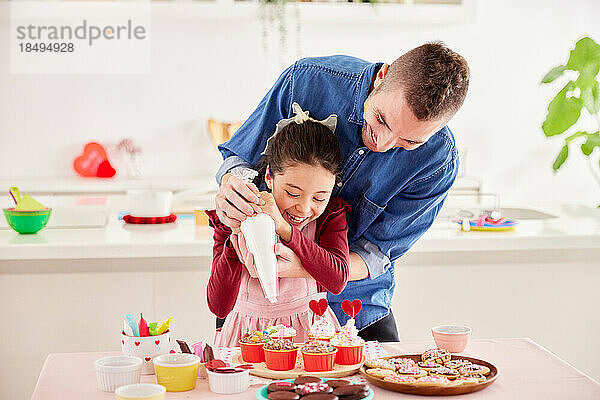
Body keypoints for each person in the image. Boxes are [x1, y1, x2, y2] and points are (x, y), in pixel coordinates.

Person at [214, 42, 470, 342]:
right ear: (382, 77)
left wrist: (309, 267)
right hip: (257, 305)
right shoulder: (308, 80)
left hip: (356, 307)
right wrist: (233, 185)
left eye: (409, 142)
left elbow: (375, 254)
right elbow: (241, 159)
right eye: (381, 120)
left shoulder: (437, 162)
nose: (383, 143)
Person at [206, 105, 352, 347]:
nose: (304, 209)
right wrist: (235, 237)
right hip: (246, 339)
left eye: (319, 198)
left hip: (311, 338)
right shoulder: (236, 211)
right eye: (293, 193)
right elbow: (219, 305)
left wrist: (285, 229)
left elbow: (336, 280)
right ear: (269, 177)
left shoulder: (330, 217)